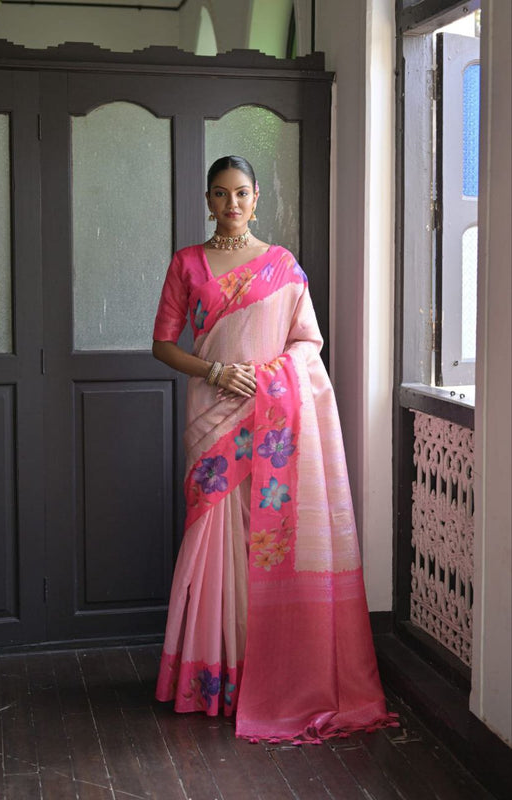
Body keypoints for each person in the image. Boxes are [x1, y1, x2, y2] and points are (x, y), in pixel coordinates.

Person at [152, 155, 396, 742]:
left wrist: (267, 378)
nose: (231, 204)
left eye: (241, 193)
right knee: (213, 540)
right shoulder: (187, 263)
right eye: (220, 194)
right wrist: (215, 372)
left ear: (257, 198)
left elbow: (308, 343)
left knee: (262, 541)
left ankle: (268, 675)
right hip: (214, 417)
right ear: (207, 200)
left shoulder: (283, 266)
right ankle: (215, 678)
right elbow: (163, 345)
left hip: (270, 420)